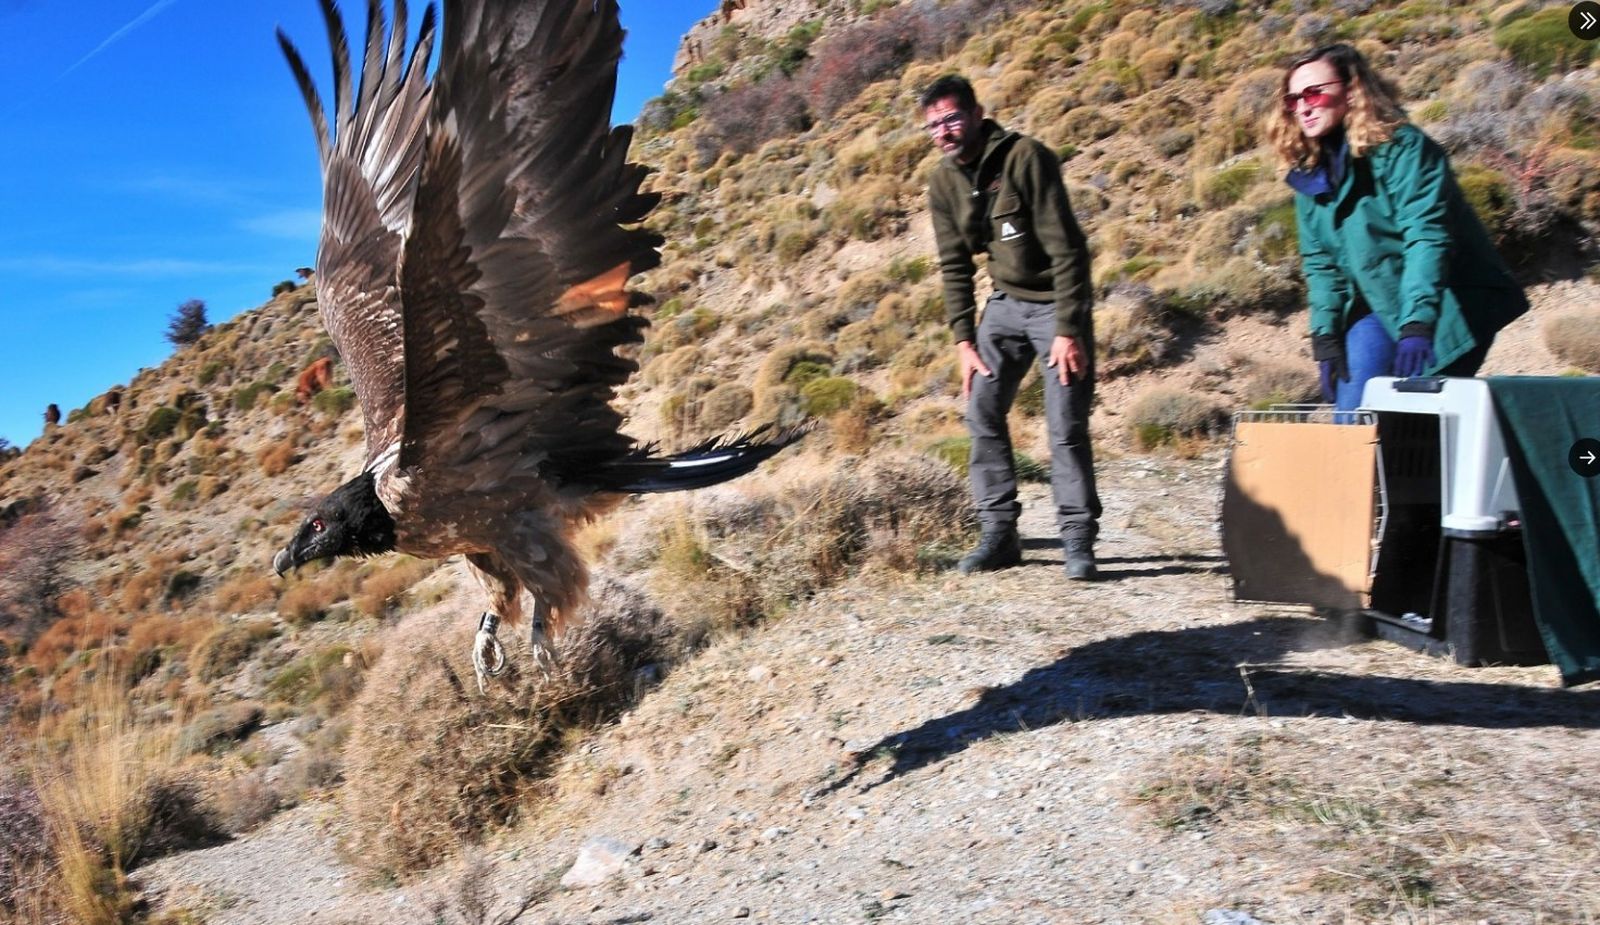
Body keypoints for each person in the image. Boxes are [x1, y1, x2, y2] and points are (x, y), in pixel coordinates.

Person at [1268, 44, 1528, 412]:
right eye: (1293, 99)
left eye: (1314, 92)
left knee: (1419, 423)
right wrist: (1324, 336)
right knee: (1355, 415)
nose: (1304, 106)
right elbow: (1320, 263)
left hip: (1450, 300)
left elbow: (1427, 237)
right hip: (1377, 301)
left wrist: (1418, 326)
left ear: (1351, 88)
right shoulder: (1312, 176)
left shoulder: (1404, 150)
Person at [920, 74, 1101, 579]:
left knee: (1064, 423)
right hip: (1004, 306)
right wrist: (962, 339)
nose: (944, 131)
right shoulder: (942, 181)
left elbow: (1069, 249)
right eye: (934, 125)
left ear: (978, 114)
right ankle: (999, 534)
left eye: (952, 118)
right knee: (982, 407)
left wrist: (1069, 329)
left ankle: (1078, 540)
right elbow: (955, 265)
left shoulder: (1027, 157)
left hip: (1055, 305)